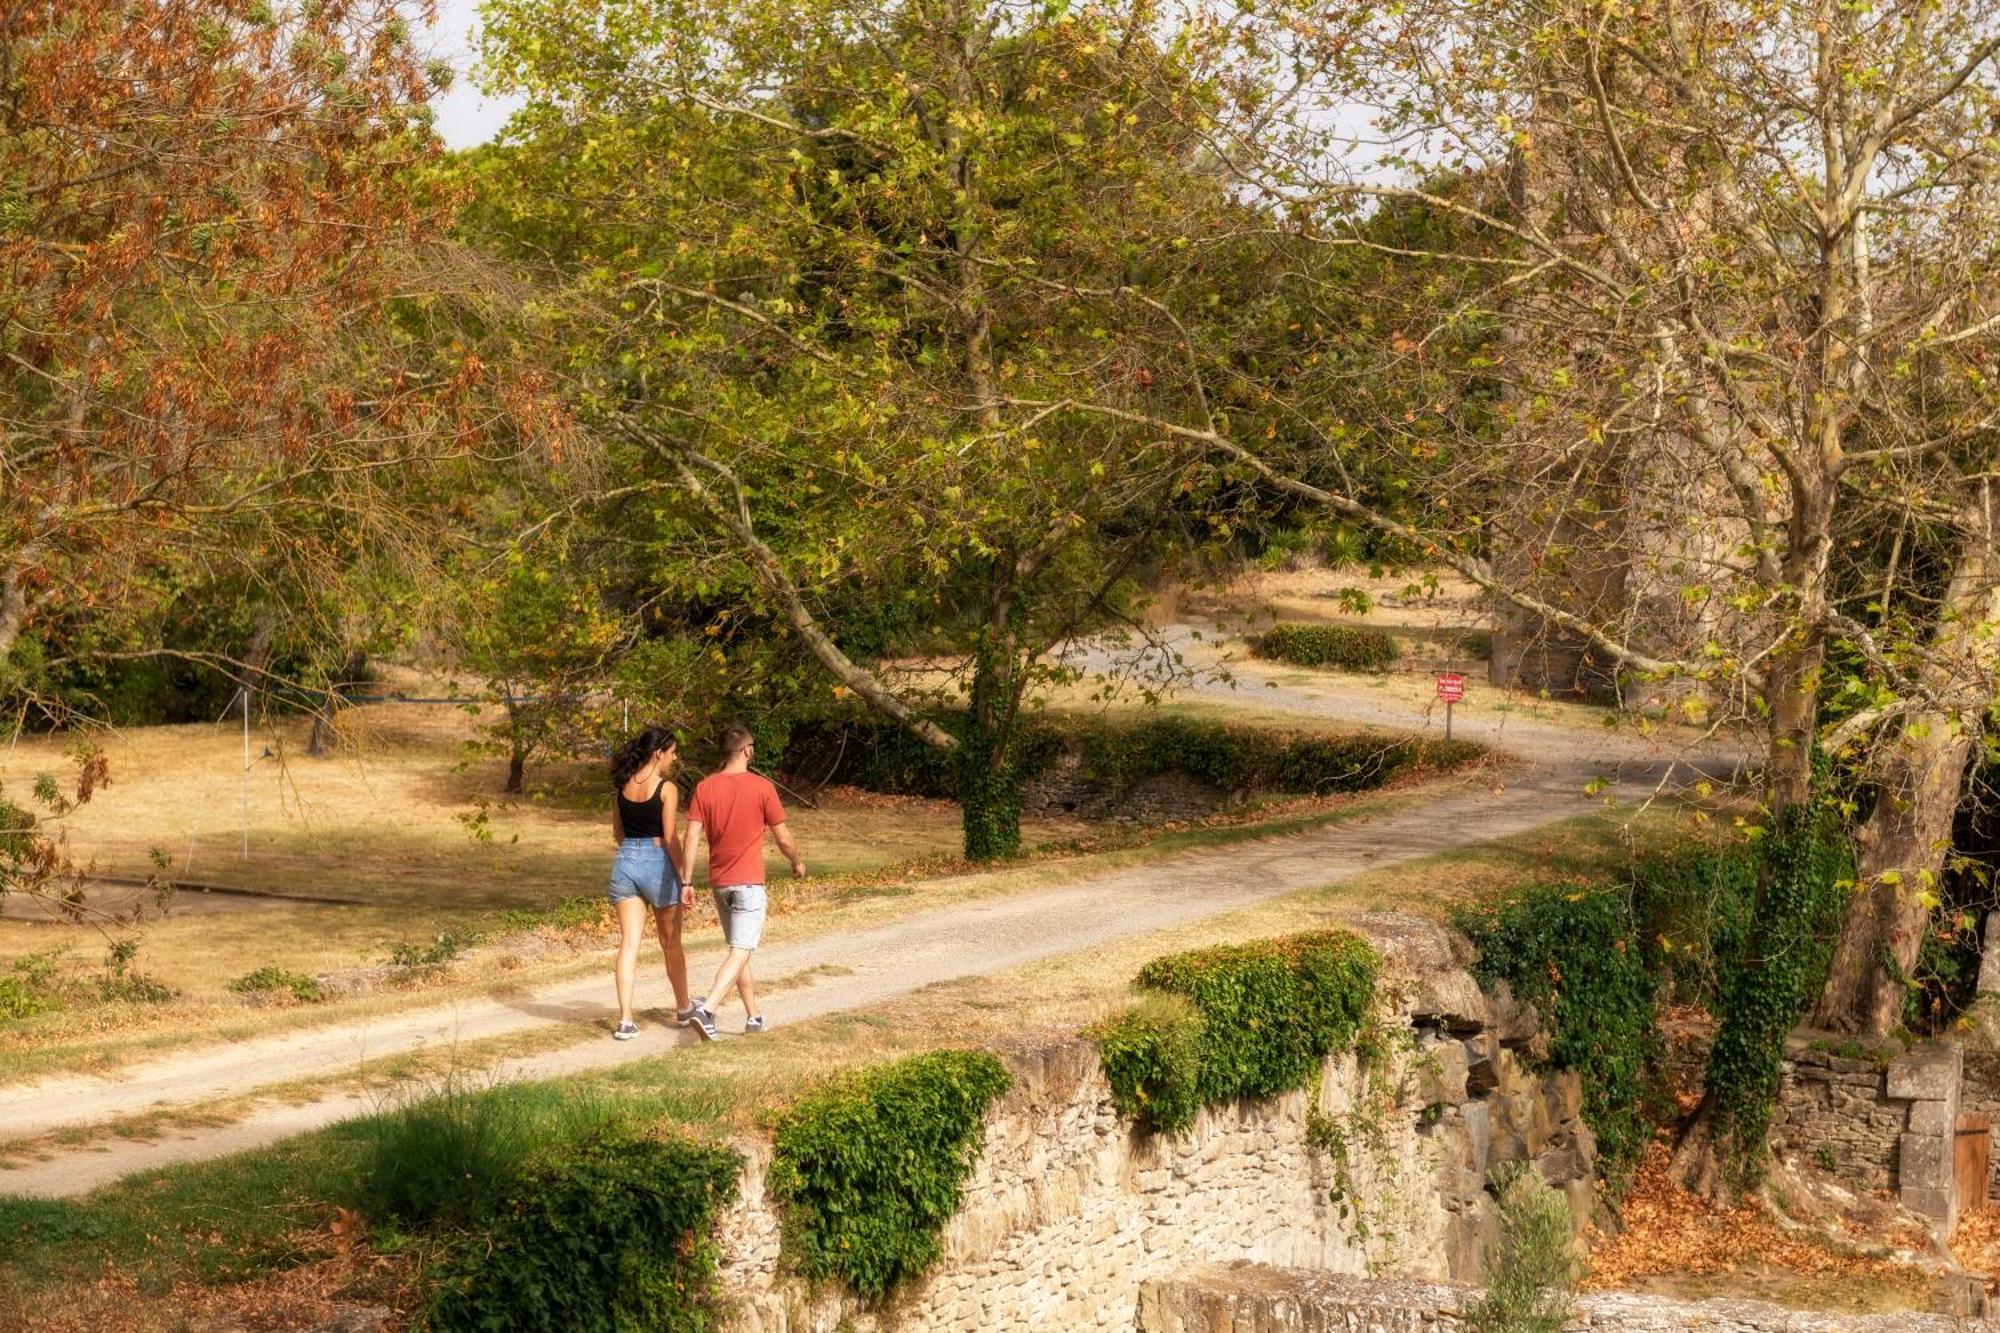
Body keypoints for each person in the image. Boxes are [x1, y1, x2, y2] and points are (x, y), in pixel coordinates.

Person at [681, 723, 804, 1039]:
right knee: (741, 950)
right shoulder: (762, 787)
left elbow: (692, 835)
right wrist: (797, 861)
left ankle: (754, 1017)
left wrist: (686, 881)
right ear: (747, 750)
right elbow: (784, 837)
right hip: (748, 884)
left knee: (739, 950)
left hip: (720, 884)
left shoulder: (705, 788)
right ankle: (707, 1011)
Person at [606, 725, 696, 1040]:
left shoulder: (621, 786)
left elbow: (618, 834)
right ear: (659, 753)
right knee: (670, 942)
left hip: (626, 863)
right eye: (672, 752)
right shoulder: (667, 788)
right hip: (658, 864)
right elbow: (671, 837)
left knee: (629, 943)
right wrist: (685, 877)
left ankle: (626, 1020)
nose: (674, 758)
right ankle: (685, 1008)